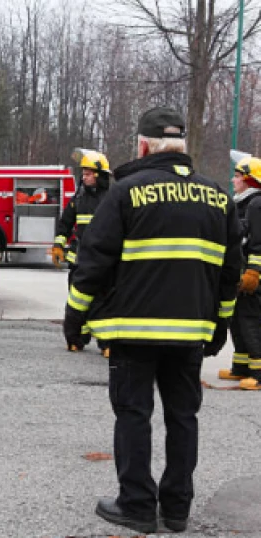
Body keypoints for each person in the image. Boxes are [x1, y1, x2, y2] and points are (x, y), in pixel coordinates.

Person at [63, 107, 242, 534]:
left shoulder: (125, 192)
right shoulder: (218, 197)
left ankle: (138, 506)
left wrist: (76, 319)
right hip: (190, 335)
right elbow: (229, 273)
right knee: (184, 417)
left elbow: (93, 263)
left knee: (133, 414)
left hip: (132, 331)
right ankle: (177, 509)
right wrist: (219, 327)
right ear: (183, 146)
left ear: (143, 145)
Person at [52, 149, 111, 356]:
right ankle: (76, 339)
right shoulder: (79, 197)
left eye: (88, 173)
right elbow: (65, 223)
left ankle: (107, 343)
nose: (84, 177)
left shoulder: (112, 198)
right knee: (76, 304)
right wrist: (59, 245)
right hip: (79, 260)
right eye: (83, 173)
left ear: (99, 175)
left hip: (103, 260)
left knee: (103, 302)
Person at [220, 152, 261, 390]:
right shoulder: (244, 202)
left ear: (250, 180)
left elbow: (257, 243)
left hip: (253, 275)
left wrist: (253, 272)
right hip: (243, 270)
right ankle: (241, 366)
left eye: (237, 176)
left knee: (250, 320)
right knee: (237, 320)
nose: (233, 180)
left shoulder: (256, 204)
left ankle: (257, 373)